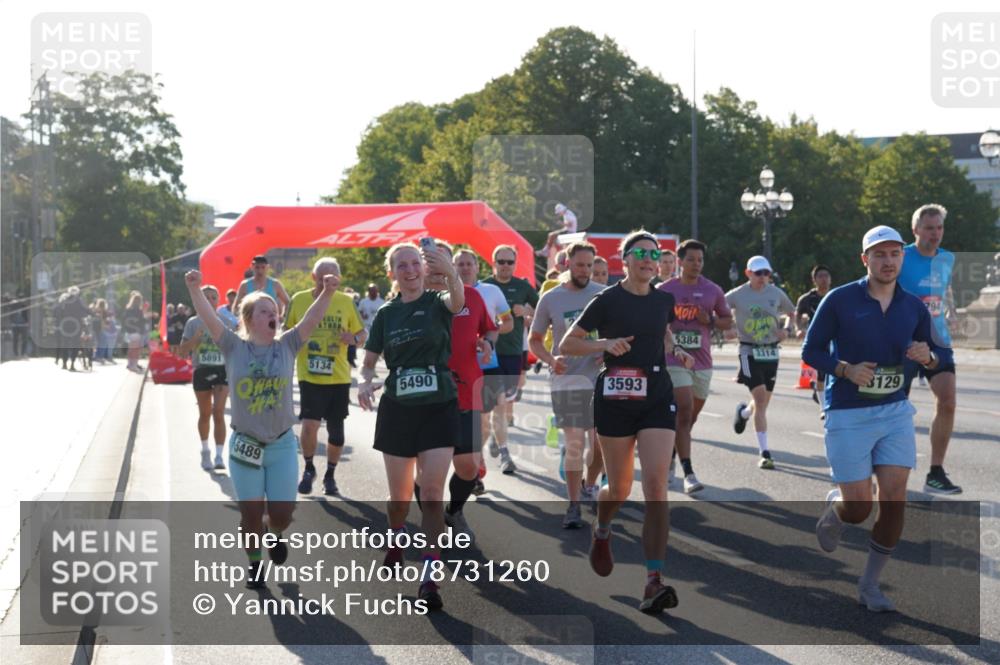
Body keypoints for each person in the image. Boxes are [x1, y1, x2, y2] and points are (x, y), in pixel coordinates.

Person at [805, 225, 943, 612]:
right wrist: (845, 369)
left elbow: (935, 356)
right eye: (879, 254)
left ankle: (869, 585)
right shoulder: (839, 299)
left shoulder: (913, 307)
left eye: (895, 253)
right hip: (848, 411)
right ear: (865, 259)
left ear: (903, 257)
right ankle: (838, 508)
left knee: (895, 500)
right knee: (859, 509)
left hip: (895, 411)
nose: (888, 261)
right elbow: (811, 350)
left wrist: (929, 357)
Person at [561, 230, 695, 615]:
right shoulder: (607, 300)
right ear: (626, 260)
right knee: (619, 488)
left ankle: (654, 580)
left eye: (655, 254)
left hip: (656, 395)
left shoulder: (664, 300)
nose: (649, 260)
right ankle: (602, 528)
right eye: (640, 253)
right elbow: (568, 343)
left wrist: (677, 349)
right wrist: (604, 344)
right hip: (615, 398)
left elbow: (662, 331)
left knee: (655, 485)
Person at [185, 267, 336, 587]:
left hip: (281, 444)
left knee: (282, 513)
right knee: (250, 514)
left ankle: (275, 531)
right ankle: (255, 566)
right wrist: (195, 288)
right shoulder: (233, 346)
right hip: (245, 444)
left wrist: (328, 291)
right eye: (265, 311)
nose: (273, 315)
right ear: (249, 319)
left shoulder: (288, 345)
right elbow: (210, 318)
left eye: (275, 310)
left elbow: (310, 319)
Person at [358, 241, 464, 611]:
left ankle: (430, 577)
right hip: (398, 410)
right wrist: (364, 381)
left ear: (424, 267)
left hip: (439, 405)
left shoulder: (438, 302)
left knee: (432, 493)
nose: (410, 270)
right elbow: (368, 361)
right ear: (392, 273)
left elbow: (457, 301)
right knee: (400, 499)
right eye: (401, 265)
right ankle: (396, 535)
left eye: (415, 263)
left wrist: (450, 272)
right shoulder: (386, 314)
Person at [417, 242, 497, 542]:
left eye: (441, 260)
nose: (435, 267)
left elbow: (489, 328)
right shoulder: (411, 299)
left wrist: (488, 342)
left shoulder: (471, 296)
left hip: (466, 391)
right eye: (429, 261)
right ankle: (432, 519)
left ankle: (454, 511)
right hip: (424, 396)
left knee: (469, 466)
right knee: (426, 473)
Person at [530, 241, 604, 528]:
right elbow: (535, 340)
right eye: (579, 265)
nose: (585, 270)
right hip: (567, 378)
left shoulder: (603, 294)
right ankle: (573, 505)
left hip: (599, 378)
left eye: (589, 265)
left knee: (598, 446)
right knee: (575, 444)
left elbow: (619, 332)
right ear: (567, 265)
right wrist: (551, 359)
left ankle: (589, 485)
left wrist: (607, 351)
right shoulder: (552, 298)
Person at [286, 258, 366, 496]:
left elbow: (363, 333)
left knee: (336, 433)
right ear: (314, 277)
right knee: (310, 424)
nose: (327, 282)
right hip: (309, 375)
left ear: (339, 279)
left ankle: (330, 474)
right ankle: (309, 468)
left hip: (338, 377)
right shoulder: (299, 299)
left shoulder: (346, 301)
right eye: (322, 278)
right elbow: (286, 331)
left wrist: (354, 339)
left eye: (332, 278)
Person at [658, 239, 733, 493]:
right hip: (674, 359)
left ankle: (670, 455)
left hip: (702, 362)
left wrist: (709, 319)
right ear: (680, 261)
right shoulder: (665, 290)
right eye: (691, 259)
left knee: (689, 419)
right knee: (684, 409)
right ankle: (689, 473)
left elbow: (727, 321)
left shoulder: (712, 290)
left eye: (700, 260)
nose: (696, 264)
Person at [897, 204, 961, 495]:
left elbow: (944, 291)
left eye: (939, 228)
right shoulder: (901, 256)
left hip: (937, 339)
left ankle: (935, 473)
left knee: (948, 401)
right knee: (896, 408)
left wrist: (951, 312)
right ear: (915, 230)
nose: (935, 233)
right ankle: (886, 468)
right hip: (903, 340)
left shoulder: (947, 258)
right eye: (929, 228)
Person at [727, 256, 796, 469]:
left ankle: (744, 413)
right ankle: (764, 452)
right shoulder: (737, 294)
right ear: (748, 273)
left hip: (771, 352)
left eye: (766, 273)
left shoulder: (775, 293)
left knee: (762, 402)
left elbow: (791, 313)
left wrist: (787, 330)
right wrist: (727, 327)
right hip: (748, 351)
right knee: (759, 397)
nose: (763, 277)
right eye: (758, 273)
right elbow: (718, 309)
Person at [454, 248, 513, 496]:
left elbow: (508, 322)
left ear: (477, 267)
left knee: (489, 417)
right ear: (453, 267)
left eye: (469, 263)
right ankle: (476, 468)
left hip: (488, 363)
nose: (465, 268)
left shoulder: (491, 291)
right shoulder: (444, 293)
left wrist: (490, 335)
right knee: (476, 420)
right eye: (461, 264)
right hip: (460, 368)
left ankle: (487, 456)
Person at [483, 245, 538, 475]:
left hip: (513, 353)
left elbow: (541, 310)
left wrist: (526, 310)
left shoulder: (523, 287)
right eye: (501, 261)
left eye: (509, 262)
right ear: (493, 263)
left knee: (504, 405)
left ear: (515, 264)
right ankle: (503, 453)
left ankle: (497, 438)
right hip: (488, 354)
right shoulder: (484, 286)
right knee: (493, 406)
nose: (505, 266)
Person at [178, 285, 233, 471]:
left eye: (213, 297)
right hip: (201, 370)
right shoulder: (193, 323)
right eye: (206, 297)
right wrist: (196, 338)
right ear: (198, 301)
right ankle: (205, 450)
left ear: (218, 301)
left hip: (222, 370)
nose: (209, 301)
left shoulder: (226, 321)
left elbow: (236, 347)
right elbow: (182, 351)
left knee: (219, 411)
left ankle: (219, 455)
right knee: (205, 413)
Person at [796, 264, 834, 407]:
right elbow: (797, 315)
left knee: (835, 371)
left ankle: (819, 391)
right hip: (817, 340)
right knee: (822, 372)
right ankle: (824, 408)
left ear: (830, 279)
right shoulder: (807, 299)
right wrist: (799, 329)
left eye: (826, 276)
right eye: (820, 276)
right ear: (814, 280)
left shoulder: (836, 296)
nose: (824, 279)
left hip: (835, 339)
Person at [234, 255, 290, 320]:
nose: (260, 271)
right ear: (252, 267)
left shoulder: (275, 284)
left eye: (263, 267)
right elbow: (236, 307)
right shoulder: (245, 285)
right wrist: (242, 319)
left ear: (267, 267)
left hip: (271, 322)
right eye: (257, 267)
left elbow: (288, 303)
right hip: (251, 322)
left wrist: (282, 317)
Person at [122, 291, 146, 372]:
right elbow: (141, 321)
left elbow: (124, 320)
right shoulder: (138, 311)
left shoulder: (128, 309)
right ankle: (134, 365)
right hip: (136, 332)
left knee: (131, 349)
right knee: (136, 350)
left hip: (129, 332)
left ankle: (130, 364)